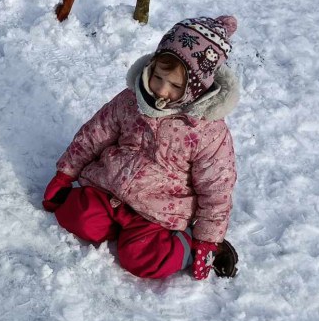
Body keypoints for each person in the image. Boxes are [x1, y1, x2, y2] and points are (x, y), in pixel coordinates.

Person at [42, 15, 240, 281]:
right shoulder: (131, 100)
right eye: (158, 77)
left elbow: (216, 190)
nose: (161, 90)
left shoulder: (208, 131)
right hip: (111, 189)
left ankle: (185, 245)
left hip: (161, 211)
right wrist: (65, 173)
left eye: (175, 86)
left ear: (196, 88)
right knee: (78, 216)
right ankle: (113, 225)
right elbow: (94, 135)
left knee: (144, 258)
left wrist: (207, 241)